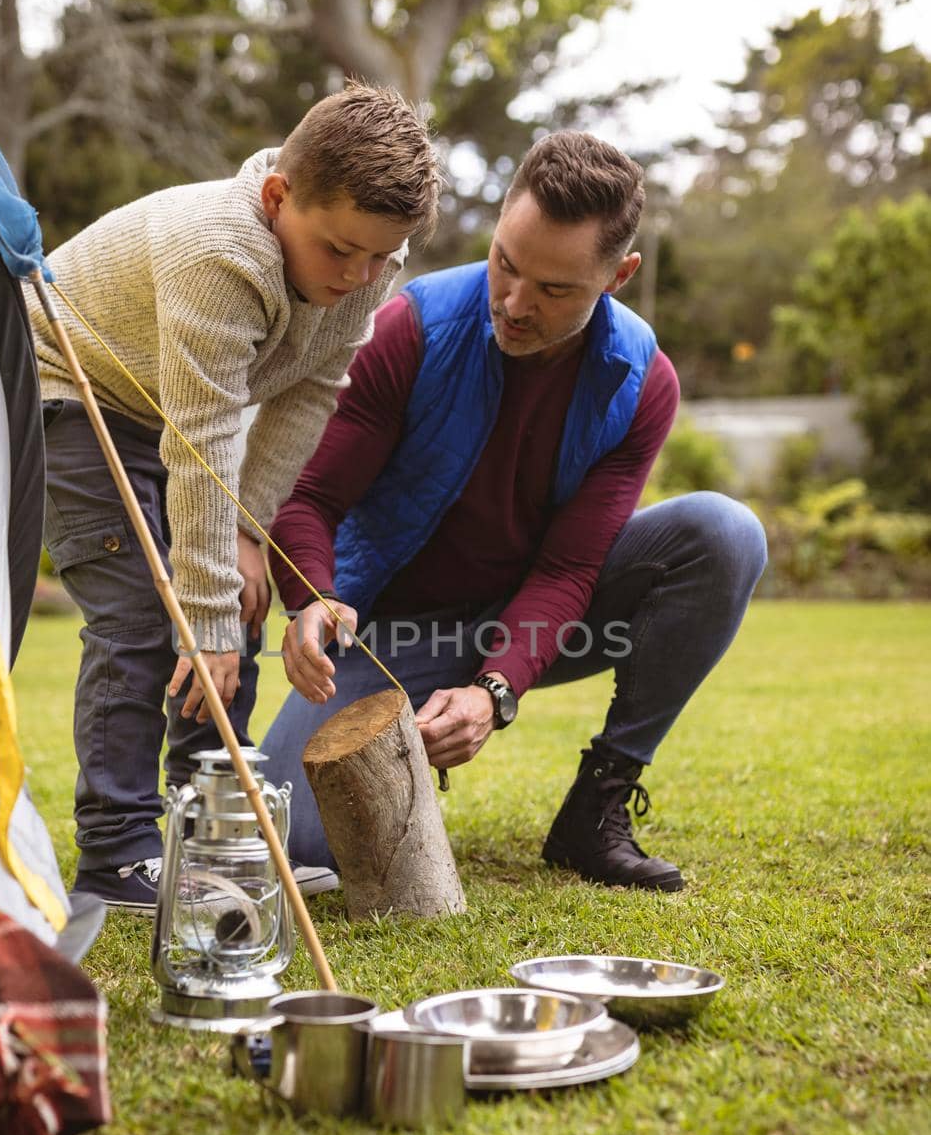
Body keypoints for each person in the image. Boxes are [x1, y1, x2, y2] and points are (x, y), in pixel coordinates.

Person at [258, 130, 768, 891]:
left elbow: (569, 565)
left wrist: (494, 691)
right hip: (395, 629)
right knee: (299, 842)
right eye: (506, 263)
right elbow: (310, 498)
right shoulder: (412, 330)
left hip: (538, 621)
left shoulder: (642, 382)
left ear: (617, 275)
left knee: (723, 532)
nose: (515, 303)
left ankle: (595, 811)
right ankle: (400, 732)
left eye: (555, 289)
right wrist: (315, 598)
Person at [28, 84, 439, 910]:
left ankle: (206, 830)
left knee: (236, 592)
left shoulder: (369, 258)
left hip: (162, 412)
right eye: (339, 250)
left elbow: (309, 394)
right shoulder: (216, 252)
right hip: (64, 395)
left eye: (378, 257)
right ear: (278, 197)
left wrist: (248, 540)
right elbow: (203, 439)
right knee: (153, 616)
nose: (359, 276)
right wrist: (204, 617)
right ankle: (115, 849)